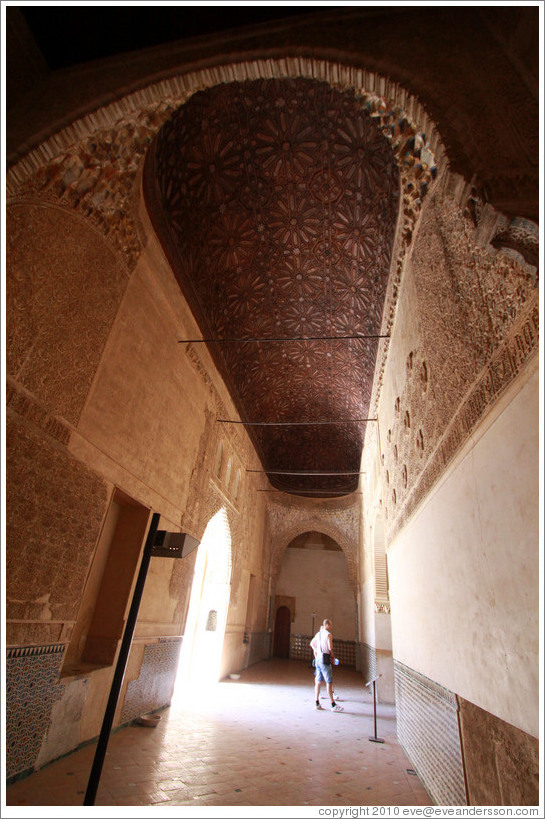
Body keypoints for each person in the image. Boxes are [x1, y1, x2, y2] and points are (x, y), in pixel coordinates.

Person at [310, 619, 343, 711]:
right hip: (325, 659)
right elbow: (330, 648)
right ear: (327, 625)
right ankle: (333, 705)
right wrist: (332, 657)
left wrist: (315, 651)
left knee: (318, 682)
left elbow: (312, 643)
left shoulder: (318, 634)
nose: (331, 627)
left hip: (318, 660)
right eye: (330, 625)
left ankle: (316, 703)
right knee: (329, 682)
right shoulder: (328, 635)